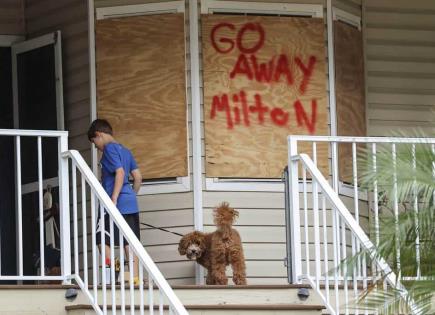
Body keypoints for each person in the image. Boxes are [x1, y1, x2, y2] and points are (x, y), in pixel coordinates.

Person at [87, 119, 142, 285]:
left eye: (95, 143)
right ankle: (134, 278)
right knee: (129, 241)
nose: (97, 147)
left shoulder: (109, 149)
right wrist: (130, 196)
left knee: (101, 239)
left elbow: (119, 172)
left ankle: (113, 269)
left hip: (114, 203)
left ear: (99, 135)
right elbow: (138, 177)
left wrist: (114, 198)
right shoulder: (125, 151)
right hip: (130, 203)